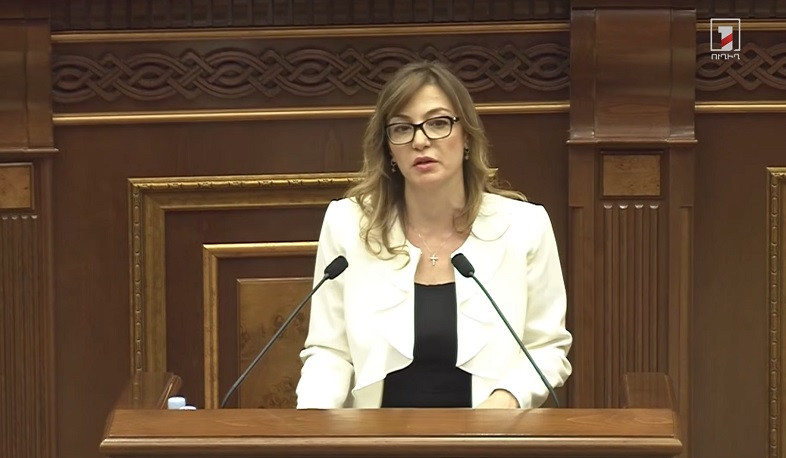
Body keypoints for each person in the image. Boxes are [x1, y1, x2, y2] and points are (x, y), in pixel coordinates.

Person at [296, 61, 572, 409]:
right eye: (402, 128)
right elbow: (329, 351)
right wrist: (313, 423)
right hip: (375, 433)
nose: (420, 140)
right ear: (389, 149)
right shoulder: (349, 224)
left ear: (467, 136)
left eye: (438, 123)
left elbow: (546, 347)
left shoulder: (524, 226)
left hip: (488, 432)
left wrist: (504, 403)